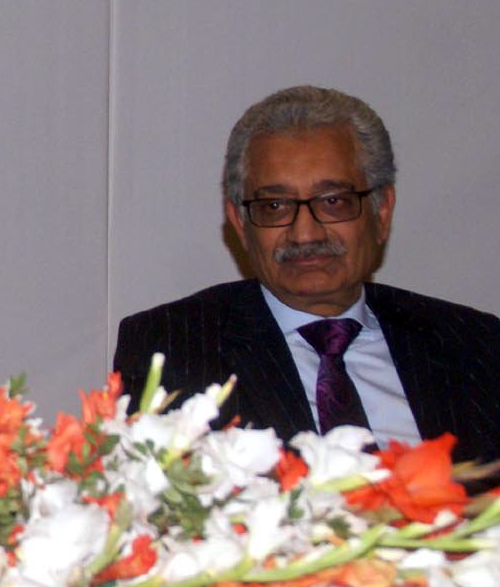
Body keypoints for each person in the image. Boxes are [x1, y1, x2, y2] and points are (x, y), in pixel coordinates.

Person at [113, 85, 500, 482]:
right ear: (240, 222)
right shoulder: (177, 346)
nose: (304, 234)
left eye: (333, 201)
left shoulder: (475, 345)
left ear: (381, 211)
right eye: (274, 206)